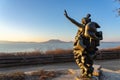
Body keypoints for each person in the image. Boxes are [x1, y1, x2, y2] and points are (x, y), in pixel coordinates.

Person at [64, 10, 102, 78]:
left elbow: (94, 35)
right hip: (83, 46)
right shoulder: (82, 26)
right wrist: (67, 17)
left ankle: (88, 71)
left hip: (88, 45)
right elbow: (74, 21)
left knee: (88, 59)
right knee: (83, 59)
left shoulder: (87, 27)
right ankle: (86, 71)